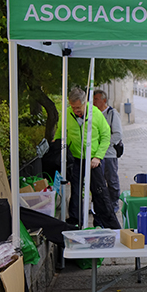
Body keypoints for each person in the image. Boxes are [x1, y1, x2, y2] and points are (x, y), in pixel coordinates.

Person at [54, 87, 120, 229]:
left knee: (99, 192)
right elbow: (60, 133)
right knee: (76, 192)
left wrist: (98, 156)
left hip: (93, 160)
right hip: (76, 158)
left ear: (85, 103)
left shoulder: (95, 114)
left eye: (78, 108)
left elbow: (106, 136)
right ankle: (75, 222)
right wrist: (57, 145)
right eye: (73, 107)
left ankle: (105, 222)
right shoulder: (66, 115)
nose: (76, 111)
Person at [92, 90, 123, 214]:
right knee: (97, 181)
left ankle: (114, 204)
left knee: (111, 179)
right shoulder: (93, 113)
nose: (94, 102)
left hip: (109, 154)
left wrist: (104, 144)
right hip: (95, 154)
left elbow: (118, 134)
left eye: (96, 99)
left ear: (104, 100)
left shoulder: (112, 113)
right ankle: (99, 205)